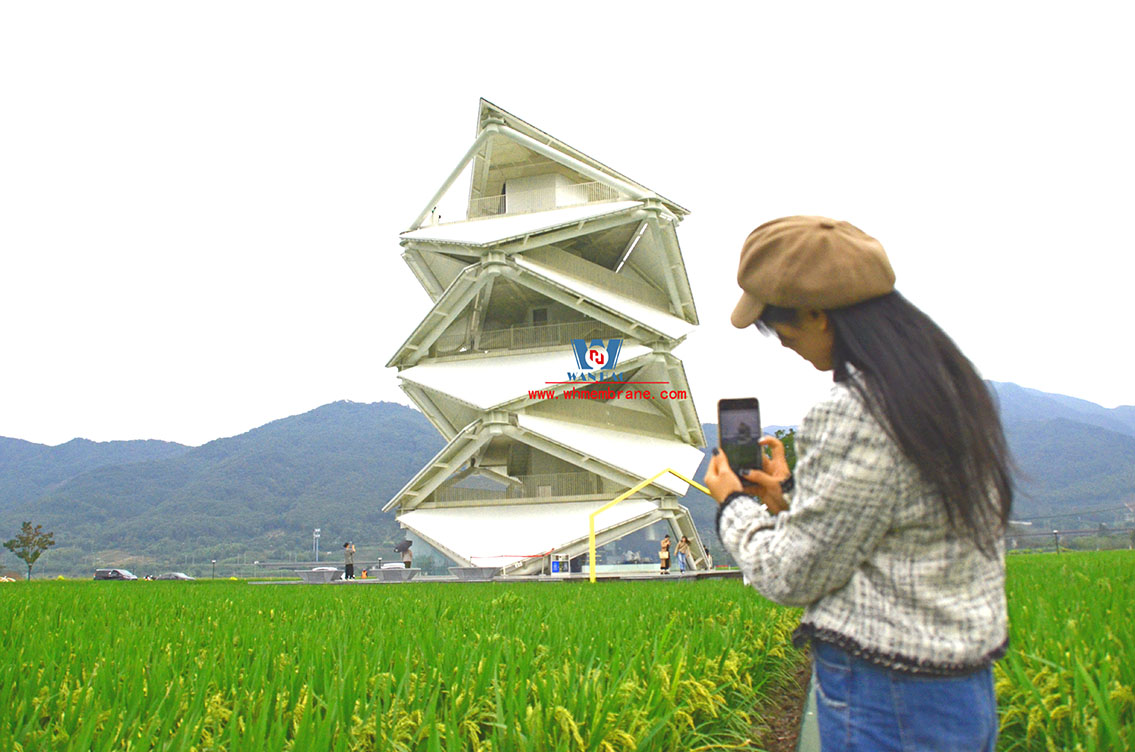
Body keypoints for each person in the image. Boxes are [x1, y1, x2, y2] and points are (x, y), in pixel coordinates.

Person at [704, 216, 1011, 752]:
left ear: (817, 314)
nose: (785, 345)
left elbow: (790, 574)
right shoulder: (950, 390)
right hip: (962, 691)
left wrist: (733, 504)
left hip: (887, 697)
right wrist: (789, 496)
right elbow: (891, 516)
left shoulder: (856, 412)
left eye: (783, 331)